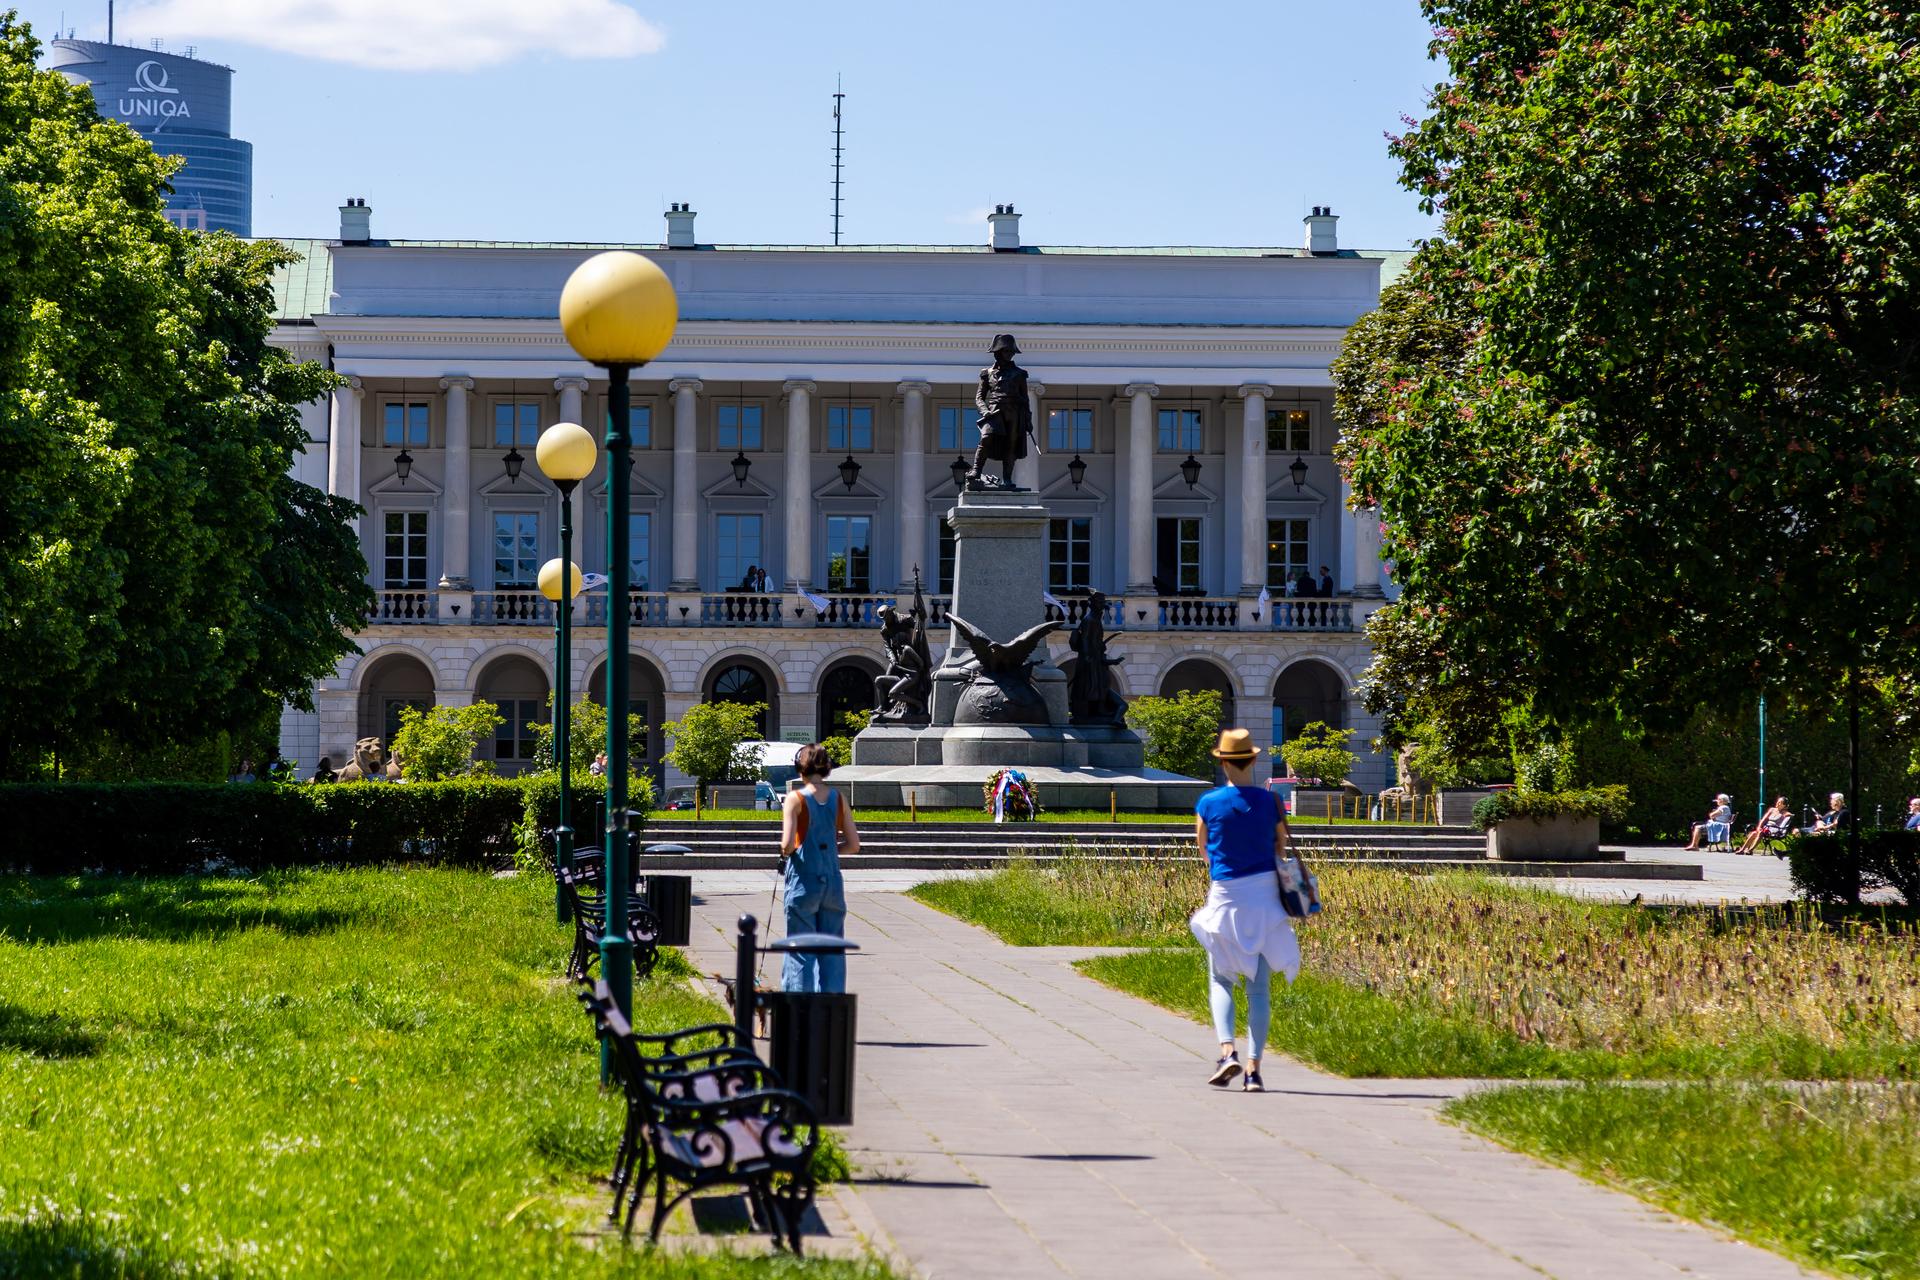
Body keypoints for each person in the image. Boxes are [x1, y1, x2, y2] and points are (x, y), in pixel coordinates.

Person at [1187, 728, 1302, 1094]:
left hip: (1226, 895)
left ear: (1222, 762)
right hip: (1266, 898)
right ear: (1253, 760)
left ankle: (1226, 1052)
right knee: (1259, 989)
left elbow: (1202, 846)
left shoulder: (1208, 802)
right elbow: (1281, 846)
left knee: (1221, 978)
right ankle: (1253, 1070)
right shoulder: (1270, 802)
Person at [778, 743, 858, 993]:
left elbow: (788, 843)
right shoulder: (838, 798)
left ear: (799, 768)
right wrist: (833, 852)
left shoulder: (796, 798)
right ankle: (832, 1013)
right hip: (832, 883)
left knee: (801, 950)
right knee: (833, 949)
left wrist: (786, 852)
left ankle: (800, 1011)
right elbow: (854, 845)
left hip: (804, 882)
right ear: (827, 769)